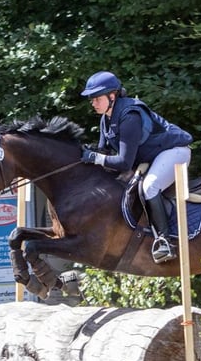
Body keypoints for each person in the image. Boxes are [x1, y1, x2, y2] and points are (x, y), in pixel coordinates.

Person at [79, 70, 193, 263]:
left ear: (112, 96)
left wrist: (95, 158)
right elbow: (103, 153)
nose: (93, 102)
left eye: (97, 98)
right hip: (152, 157)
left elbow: (124, 162)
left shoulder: (130, 115)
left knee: (150, 187)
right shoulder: (105, 119)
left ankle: (164, 241)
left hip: (174, 152)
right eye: (91, 99)